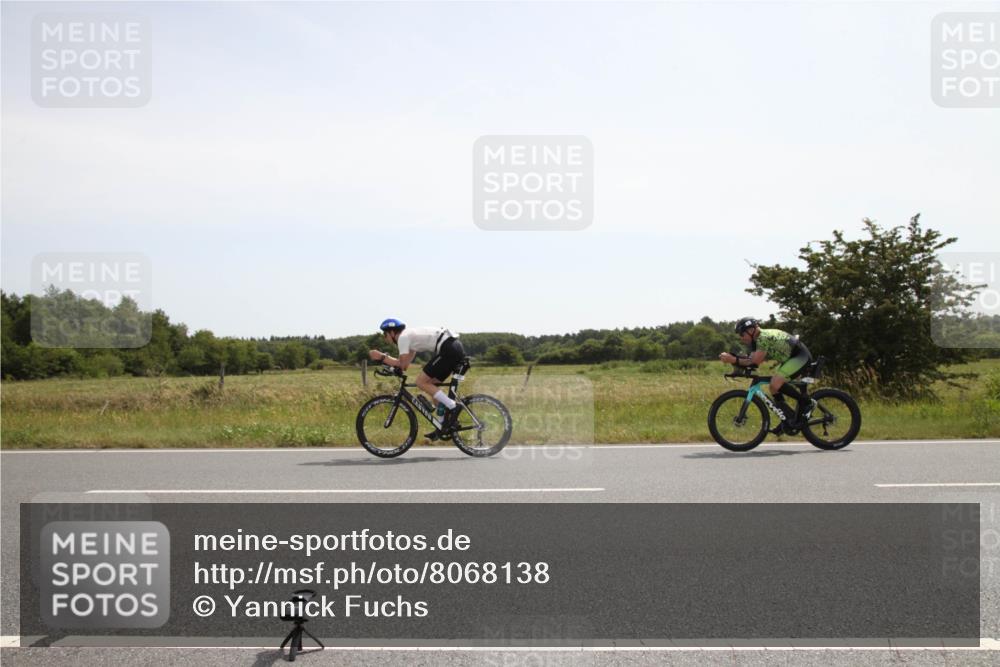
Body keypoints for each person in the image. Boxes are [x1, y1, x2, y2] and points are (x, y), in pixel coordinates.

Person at [369, 318, 466, 438]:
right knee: (432, 386)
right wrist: (386, 360)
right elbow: (404, 365)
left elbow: (401, 364)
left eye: (385, 334)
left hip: (448, 348)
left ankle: (453, 406)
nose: (385, 337)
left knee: (421, 382)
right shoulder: (409, 339)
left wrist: (382, 357)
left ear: (392, 332)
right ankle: (443, 425)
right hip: (452, 347)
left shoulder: (403, 338)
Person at [719, 318, 816, 430]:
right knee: (773, 388)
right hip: (791, 359)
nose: (741, 338)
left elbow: (755, 361)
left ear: (751, 330)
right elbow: (751, 362)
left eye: (742, 334)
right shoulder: (756, 340)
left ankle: (807, 403)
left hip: (800, 356)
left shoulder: (763, 338)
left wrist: (733, 359)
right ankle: (788, 418)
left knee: (775, 383)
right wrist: (736, 364)